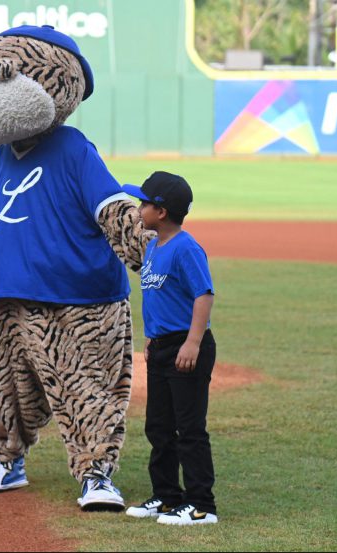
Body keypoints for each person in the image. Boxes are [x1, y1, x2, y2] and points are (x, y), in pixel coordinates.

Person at [121, 171, 219, 525]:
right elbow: (160, 297)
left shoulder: (186, 247)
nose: (138, 208)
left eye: (144, 203)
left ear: (161, 211)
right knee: (159, 427)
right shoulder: (152, 246)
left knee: (189, 429)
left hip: (186, 346)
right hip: (162, 346)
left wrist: (193, 342)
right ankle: (165, 496)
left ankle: (201, 506)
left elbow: (203, 295)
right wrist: (151, 337)